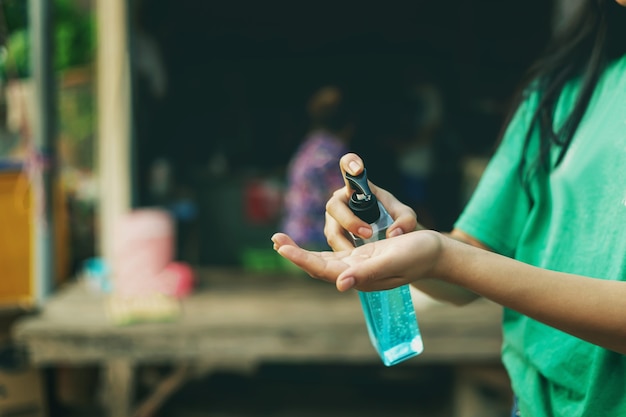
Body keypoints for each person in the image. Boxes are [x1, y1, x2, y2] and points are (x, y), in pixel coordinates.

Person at [272, 1, 626, 416]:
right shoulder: (563, 92)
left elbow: (464, 264)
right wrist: (403, 236)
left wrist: (445, 258)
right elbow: (472, 262)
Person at [280, 85, 355, 250]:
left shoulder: (308, 145)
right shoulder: (334, 151)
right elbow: (343, 196)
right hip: (318, 236)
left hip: (293, 234)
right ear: (349, 125)